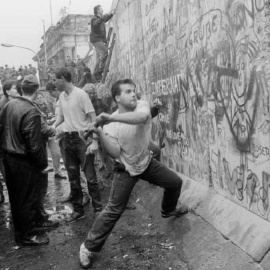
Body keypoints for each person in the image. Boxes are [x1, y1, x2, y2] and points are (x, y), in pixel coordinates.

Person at [79, 79, 188, 268]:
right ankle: (88, 247)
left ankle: (168, 209)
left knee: (175, 183)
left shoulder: (141, 106)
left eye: (134, 91)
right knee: (114, 209)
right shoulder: (110, 125)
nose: (133, 94)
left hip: (146, 162)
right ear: (117, 97)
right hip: (125, 169)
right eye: (128, 91)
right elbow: (114, 153)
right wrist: (99, 130)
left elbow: (143, 118)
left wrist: (108, 118)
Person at [0, 75, 49, 246]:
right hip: (22, 160)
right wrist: (43, 163)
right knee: (27, 198)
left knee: (16, 198)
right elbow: (34, 145)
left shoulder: (9, 104)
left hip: (8, 157)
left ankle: (24, 231)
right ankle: (27, 235)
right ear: (37, 90)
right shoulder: (31, 110)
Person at [53, 67, 102, 223]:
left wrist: (95, 140)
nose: (54, 82)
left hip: (82, 140)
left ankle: (98, 209)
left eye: (55, 79)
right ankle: (78, 210)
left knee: (90, 177)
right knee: (73, 177)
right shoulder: (61, 96)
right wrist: (51, 128)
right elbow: (60, 117)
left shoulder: (81, 94)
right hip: (67, 140)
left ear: (62, 78)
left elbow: (93, 118)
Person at [0, 80, 22, 203]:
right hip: (3, 145)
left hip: (7, 144)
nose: (17, 90)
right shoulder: (3, 105)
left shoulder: (11, 102)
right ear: (7, 91)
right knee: (7, 173)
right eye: (14, 88)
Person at [89, 5, 114, 81]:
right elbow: (96, 23)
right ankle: (101, 69)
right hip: (96, 39)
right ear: (97, 11)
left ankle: (96, 73)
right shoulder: (94, 19)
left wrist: (111, 14)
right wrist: (103, 17)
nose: (102, 10)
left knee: (99, 57)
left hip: (99, 39)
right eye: (101, 9)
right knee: (105, 52)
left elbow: (104, 19)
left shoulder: (100, 19)